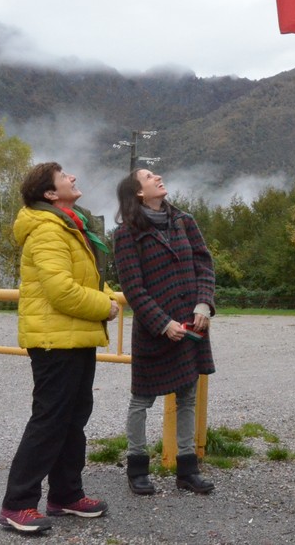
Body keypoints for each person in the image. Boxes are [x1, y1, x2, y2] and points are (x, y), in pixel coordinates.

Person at [0, 162, 120, 534]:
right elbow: (61, 290)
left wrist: (105, 296)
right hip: (55, 340)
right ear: (50, 194)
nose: (73, 178)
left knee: (73, 418)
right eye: (65, 177)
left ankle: (66, 494)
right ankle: (17, 504)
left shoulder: (69, 226)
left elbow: (87, 280)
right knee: (50, 419)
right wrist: (106, 306)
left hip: (75, 336)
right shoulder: (48, 230)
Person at [113, 167, 216, 496]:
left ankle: (187, 470)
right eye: (148, 176)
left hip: (191, 325)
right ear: (138, 193)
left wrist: (204, 304)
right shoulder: (126, 233)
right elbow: (134, 288)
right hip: (154, 332)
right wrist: (162, 323)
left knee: (187, 397)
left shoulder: (185, 221)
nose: (158, 177)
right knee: (142, 401)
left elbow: (204, 263)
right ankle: (137, 468)